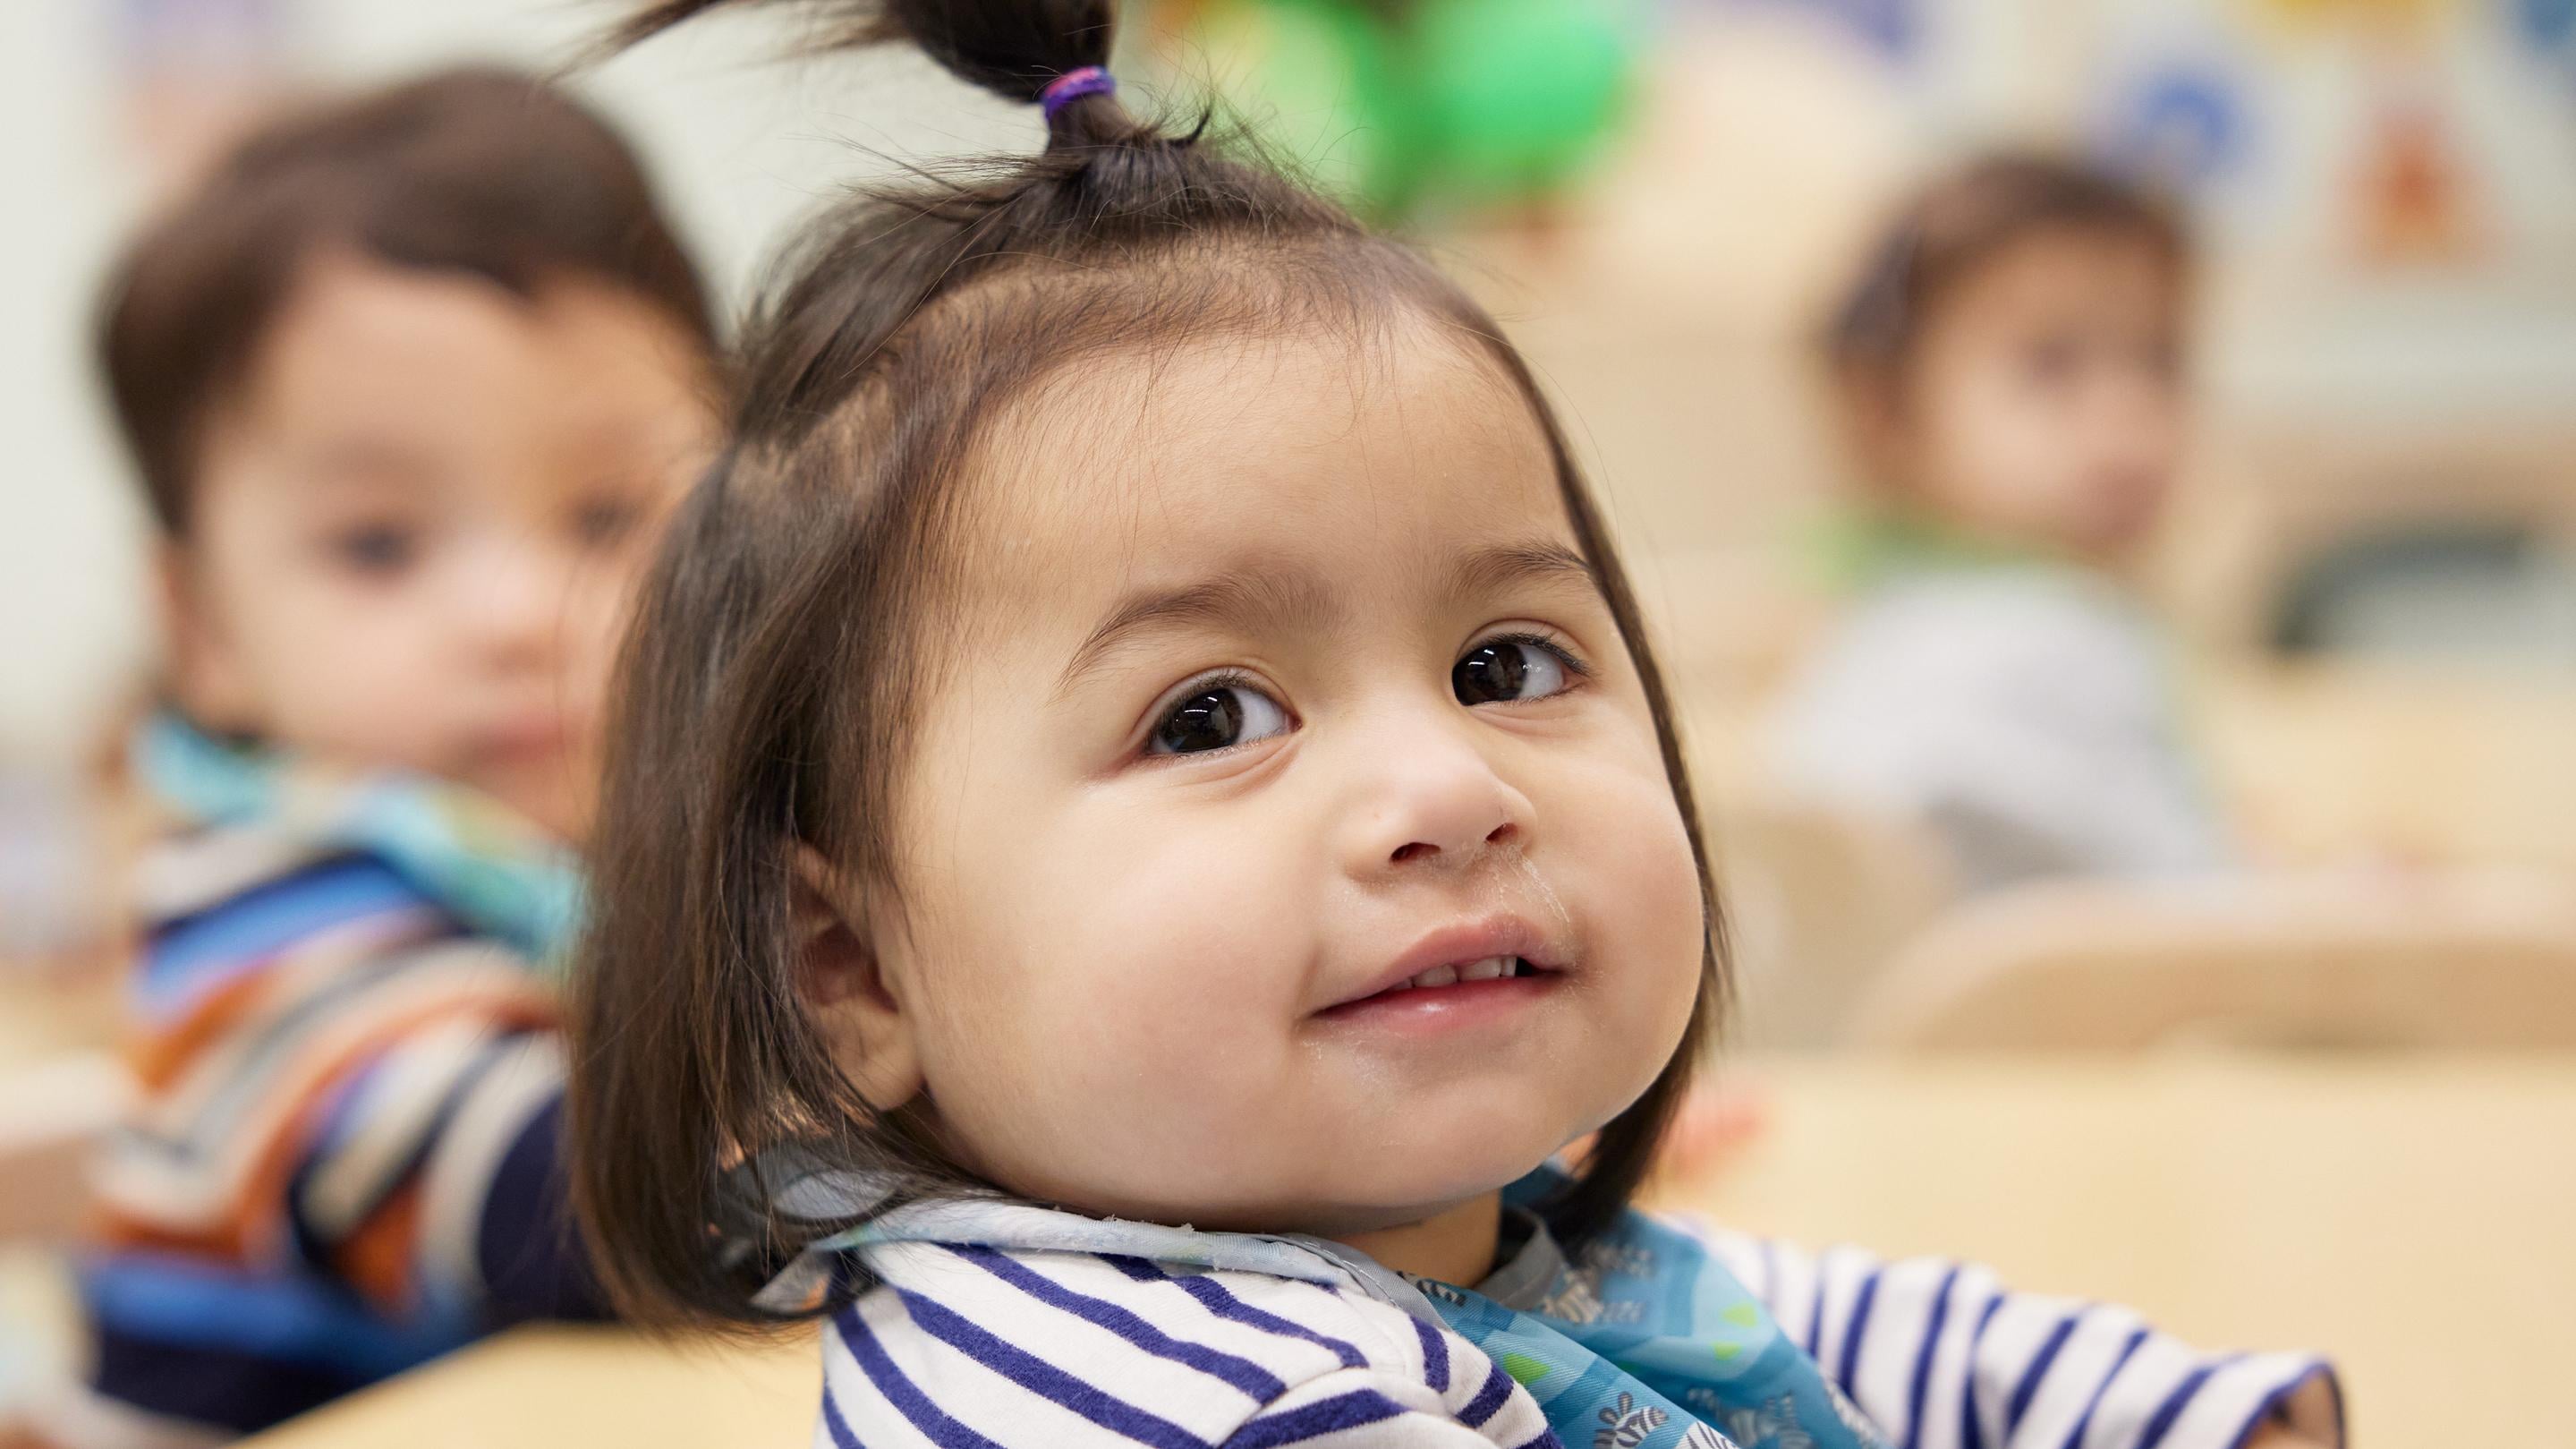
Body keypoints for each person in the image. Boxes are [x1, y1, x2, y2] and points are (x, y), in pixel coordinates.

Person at [573, 5, 2339, 1445]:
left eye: (1503, 663)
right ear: (844, 965)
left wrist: (2181, 1409)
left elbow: (1815, 1318)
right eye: (1209, 713)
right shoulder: (1146, 1395)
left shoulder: (1458, 1243)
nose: (1447, 783)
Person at [37, 67, 722, 1445]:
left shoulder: (676, 831)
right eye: (379, 545)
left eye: (605, 513)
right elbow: (561, 1216)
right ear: (205, 627)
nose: (520, 615)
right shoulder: (258, 917)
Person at [1769, 156, 2230, 895]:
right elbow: (2178, 908)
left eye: (2158, 361)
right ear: (1886, 411)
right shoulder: (2016, 639)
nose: (2125, 417)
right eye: (2051, 366)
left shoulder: (1926, 606)